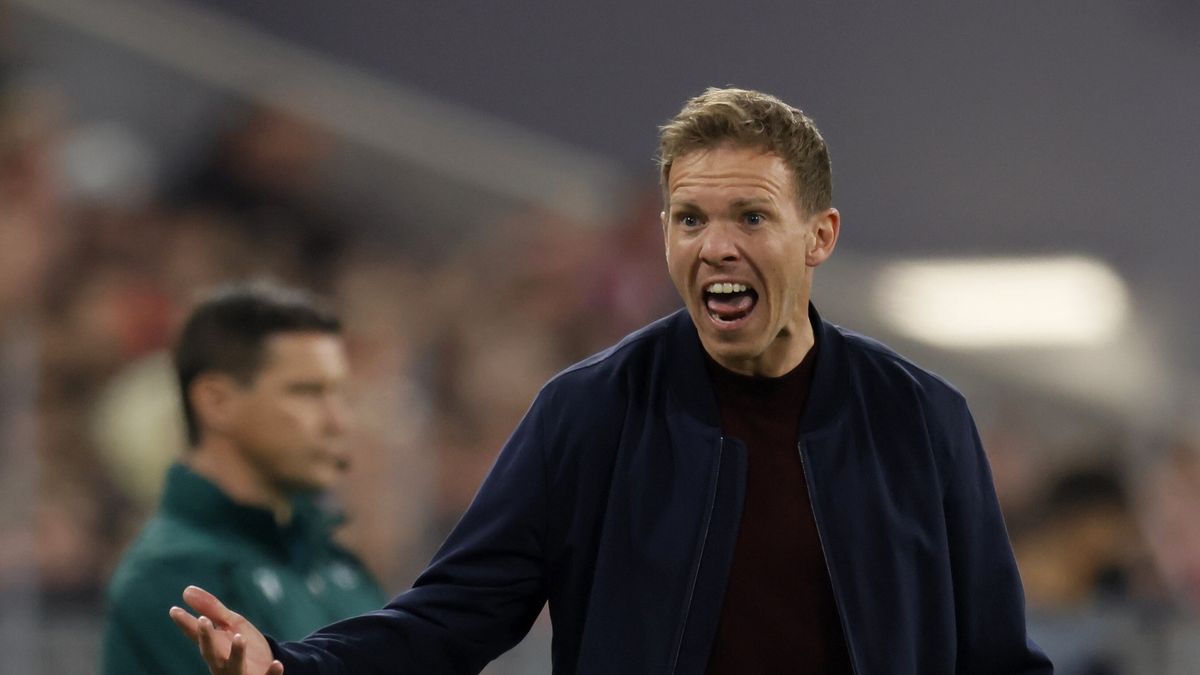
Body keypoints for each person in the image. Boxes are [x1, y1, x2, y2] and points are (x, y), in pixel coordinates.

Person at [170, 87, 1053, 674]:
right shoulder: (590, 411)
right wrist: (295, 665)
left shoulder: (922, 419)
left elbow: (998, 658)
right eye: (689, 218)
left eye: (751, 215)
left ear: (818, 237)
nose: (716, 246)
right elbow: (454, 614)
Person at [102, 282, 386, 674]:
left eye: (340, 394)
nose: (338, 421)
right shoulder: (173, 582)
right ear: (216, 402)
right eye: (306, 392)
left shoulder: (338, 565)